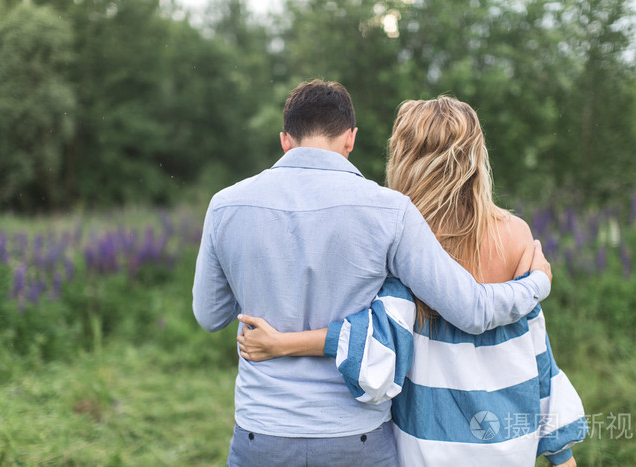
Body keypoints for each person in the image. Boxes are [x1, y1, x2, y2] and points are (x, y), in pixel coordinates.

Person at [192, 81, 553, 466]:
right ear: (350, 139)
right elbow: (473, 310)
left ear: (285, 140)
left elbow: (210, 316)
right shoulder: (389, 211)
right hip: (356, 437)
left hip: (261, 431)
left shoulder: (225, 206)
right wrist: (536, 282)